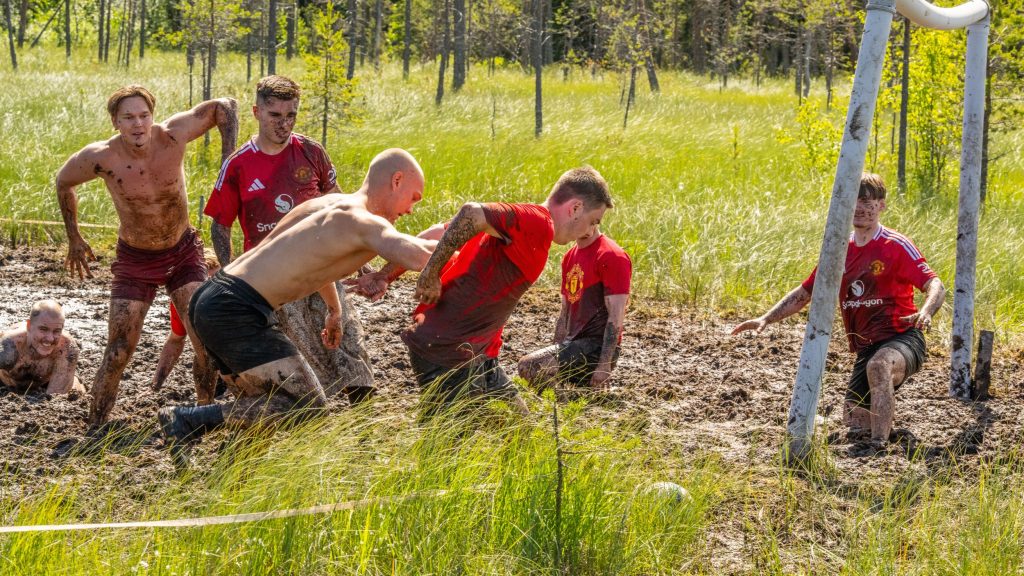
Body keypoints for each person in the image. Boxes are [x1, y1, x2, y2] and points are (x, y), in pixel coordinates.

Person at [158, 149, 435, 451]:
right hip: (237, 308)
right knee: (307, 406)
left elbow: (316, 262)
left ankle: (229, 473)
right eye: (414, 198)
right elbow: (419, 256)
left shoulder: (324, 205)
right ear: (396, 180)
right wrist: (466, 240)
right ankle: (188, 419)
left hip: (213, 297)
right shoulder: (363, 221)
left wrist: (333, 310)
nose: (411, 210)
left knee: (259, 409)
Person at [55, 85, 238, 426]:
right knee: (118, 350)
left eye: (144, 115)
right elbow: (63, 181)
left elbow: (224, 106)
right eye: (128, 118)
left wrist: (229, 159)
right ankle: (95, 424)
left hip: (183, 253)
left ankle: (205, 412)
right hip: (136, 260)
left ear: (152, 116)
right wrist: (74, 237)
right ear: (115, 121)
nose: (138, 124)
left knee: (205, 342)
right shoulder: (100, 156)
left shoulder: (173, 135)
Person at [731, 173, 945, 450]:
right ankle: (883, 433)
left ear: (881, 205)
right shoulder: (839, 249)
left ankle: (879, 444)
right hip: (866, 346)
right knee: (854, 423)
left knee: (879, 366)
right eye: (853, 201)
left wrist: (926, 311)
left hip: (903, 337)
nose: (859, 208)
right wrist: (766, 318)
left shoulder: (895, 245)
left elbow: (935, 284)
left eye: (866, 201)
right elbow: (806, 292)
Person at [204, 75, 374, 403]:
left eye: (291, 115)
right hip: (273, 272)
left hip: (324, 264)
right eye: (275, 116)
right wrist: (229, 276)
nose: (284, 124)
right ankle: (314, 412)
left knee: (349, 338)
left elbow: (341, 204)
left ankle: (364, 412)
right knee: (303, 349)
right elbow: (220, 226)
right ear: (257, 112)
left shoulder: (311, 152)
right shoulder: (238, 165)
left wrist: (361, 258)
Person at [396, 166, 613, 416]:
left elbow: (438, 232)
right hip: (447, 351)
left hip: (481, 356)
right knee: (449, 437)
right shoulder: (538, 222)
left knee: (519, 429)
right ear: (575, 208)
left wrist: (385, 276)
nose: (589, 231)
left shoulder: (532, 227)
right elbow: (470, 213)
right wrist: (431, 272)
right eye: (593, 221)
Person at [517, 227, 632, 390]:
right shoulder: (569, 256)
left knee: (529, 365)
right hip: (573, 344)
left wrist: (604, 366)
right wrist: (555, 353)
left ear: (594, 219)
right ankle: (561, 403)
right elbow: (564, 313)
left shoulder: (612, 255)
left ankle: (560, 404)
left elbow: (616, 317)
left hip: (596, 348)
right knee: (539, 367)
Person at [152, 251, 221, 390]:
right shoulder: (183, 302)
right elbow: (175, 340)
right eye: (208, 283)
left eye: (217, 280)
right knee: (203, 353)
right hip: (214, 365)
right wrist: (156, 384)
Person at [0, 300, 85, 396]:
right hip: (6, 384)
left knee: (77, 392)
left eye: (57, 331)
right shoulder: (10, 345)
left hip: (46, 384)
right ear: (29, 326)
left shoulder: (66, 348)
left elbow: (57, 397)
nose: (50, 338)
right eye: (43, 329)